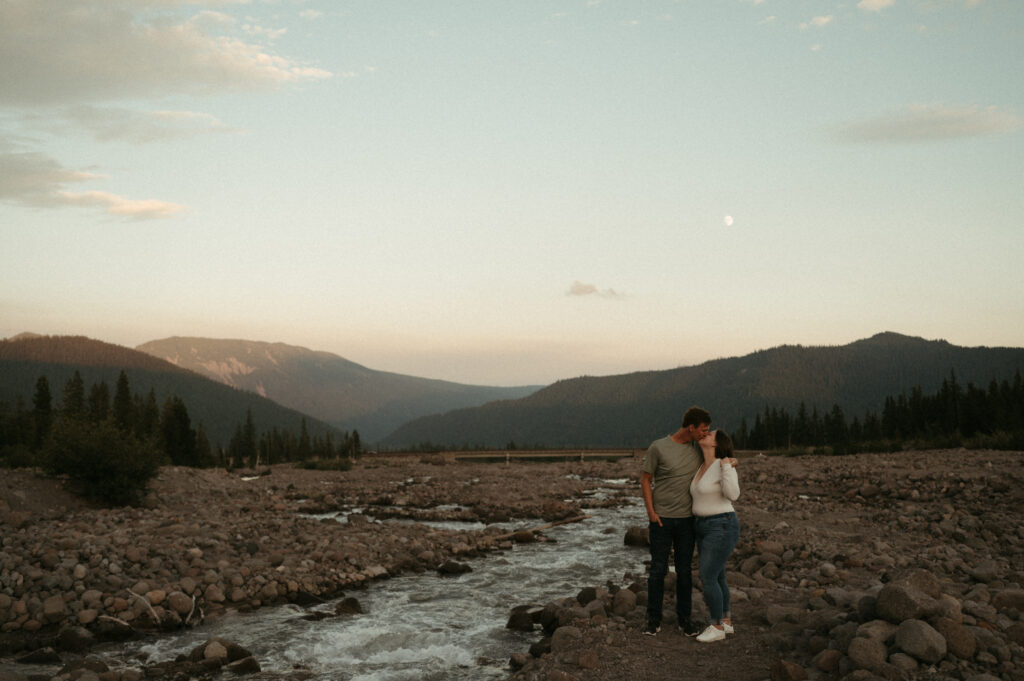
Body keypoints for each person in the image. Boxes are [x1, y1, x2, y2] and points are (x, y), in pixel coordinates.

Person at [640, 406, 711, 636]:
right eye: (703, 429)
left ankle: (685, 620)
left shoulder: (698, 448)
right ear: (691, 427)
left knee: (684, 571)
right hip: (661, 520)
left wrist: (732, 462)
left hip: (688, 520)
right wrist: (651, 512)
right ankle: (653, 620)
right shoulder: (658, 447)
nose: (705, 433)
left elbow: (720, 454)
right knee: (658, 571)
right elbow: (645, 479)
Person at [691, 429, 741, 643]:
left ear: (716, 443)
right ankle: (726, 621)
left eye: (710, 434)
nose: (705, 434)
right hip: (703, 526)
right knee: (718, 576)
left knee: (708, 576)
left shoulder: (724, 464)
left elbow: (733, 495)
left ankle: (717, 626)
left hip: (721, 524)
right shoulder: (702, 466)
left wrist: (727, 467)